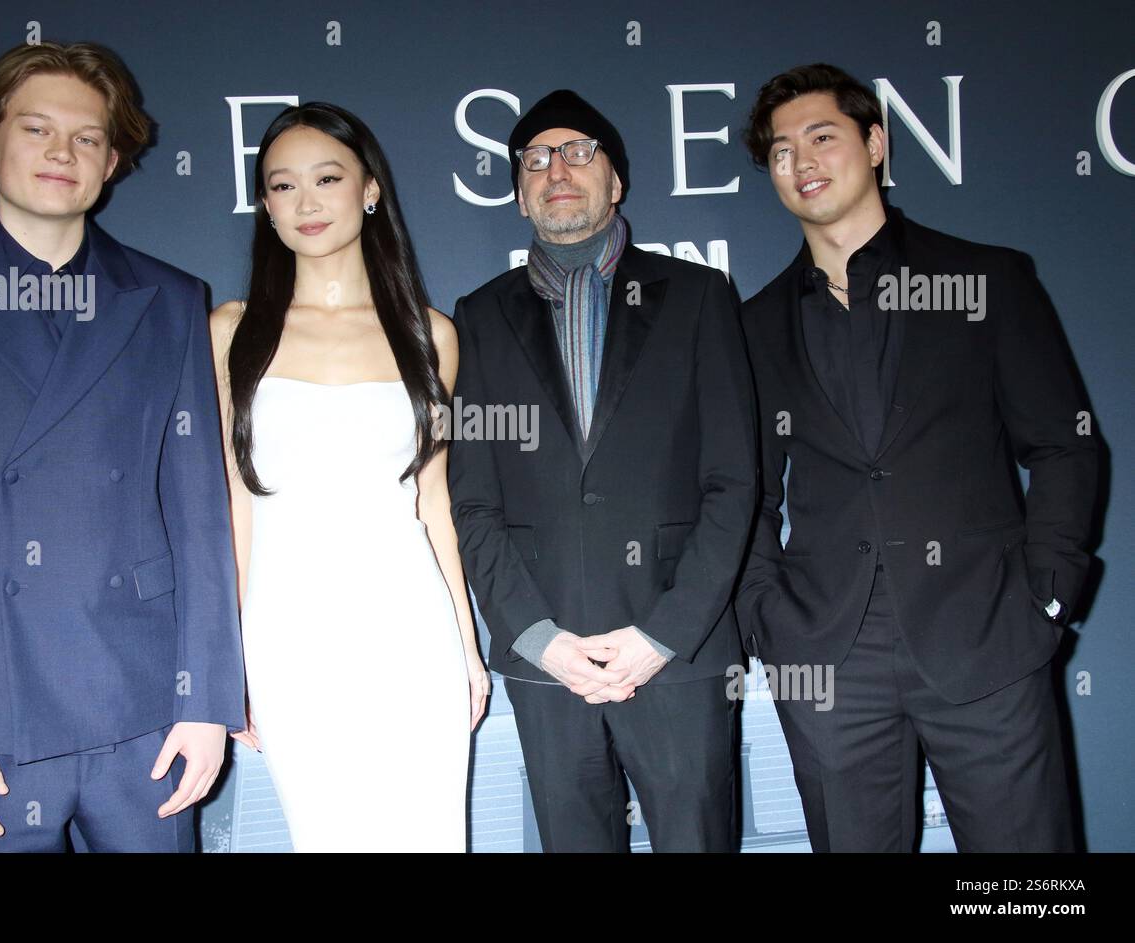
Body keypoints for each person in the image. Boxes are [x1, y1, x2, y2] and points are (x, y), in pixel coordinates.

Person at [0, 41, 246, 851]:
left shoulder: (169, 300)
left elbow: (201, 513)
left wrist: (207, 699)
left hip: (146, 713)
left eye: (88, 137)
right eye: (36, 129)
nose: (63, 153)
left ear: (112, 162)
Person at [736, 63, 1098, 851]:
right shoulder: (754, 326)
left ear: (874, 144)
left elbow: (1063, 444)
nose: (801, 162)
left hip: (987, 634)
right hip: (827, 656)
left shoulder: (988, 280)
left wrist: (1046, 595)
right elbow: (749, 494)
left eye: (822, 136)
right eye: (780, 151)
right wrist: (771, 620)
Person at [448, 90, 758, 852]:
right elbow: (473, 501)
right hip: (548, 665)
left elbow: (735, 482)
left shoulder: (698, 297)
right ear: (520, 191)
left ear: (616, 182)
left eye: (580, 152)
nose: (558, 168)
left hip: (679, 655)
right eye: (536, 158)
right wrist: (534, 636)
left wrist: (664, 634)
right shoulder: (478, 317)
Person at [210, 102, 488, 852]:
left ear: (369, 190)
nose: (306, 202)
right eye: (282, 185)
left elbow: (434, 503)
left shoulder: (432, 336)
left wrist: (466, 647)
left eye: (327, 178)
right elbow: (235, 505)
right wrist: (223, 659)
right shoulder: (230, 331)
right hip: (288, 632)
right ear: (264, 206)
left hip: (409, 627)